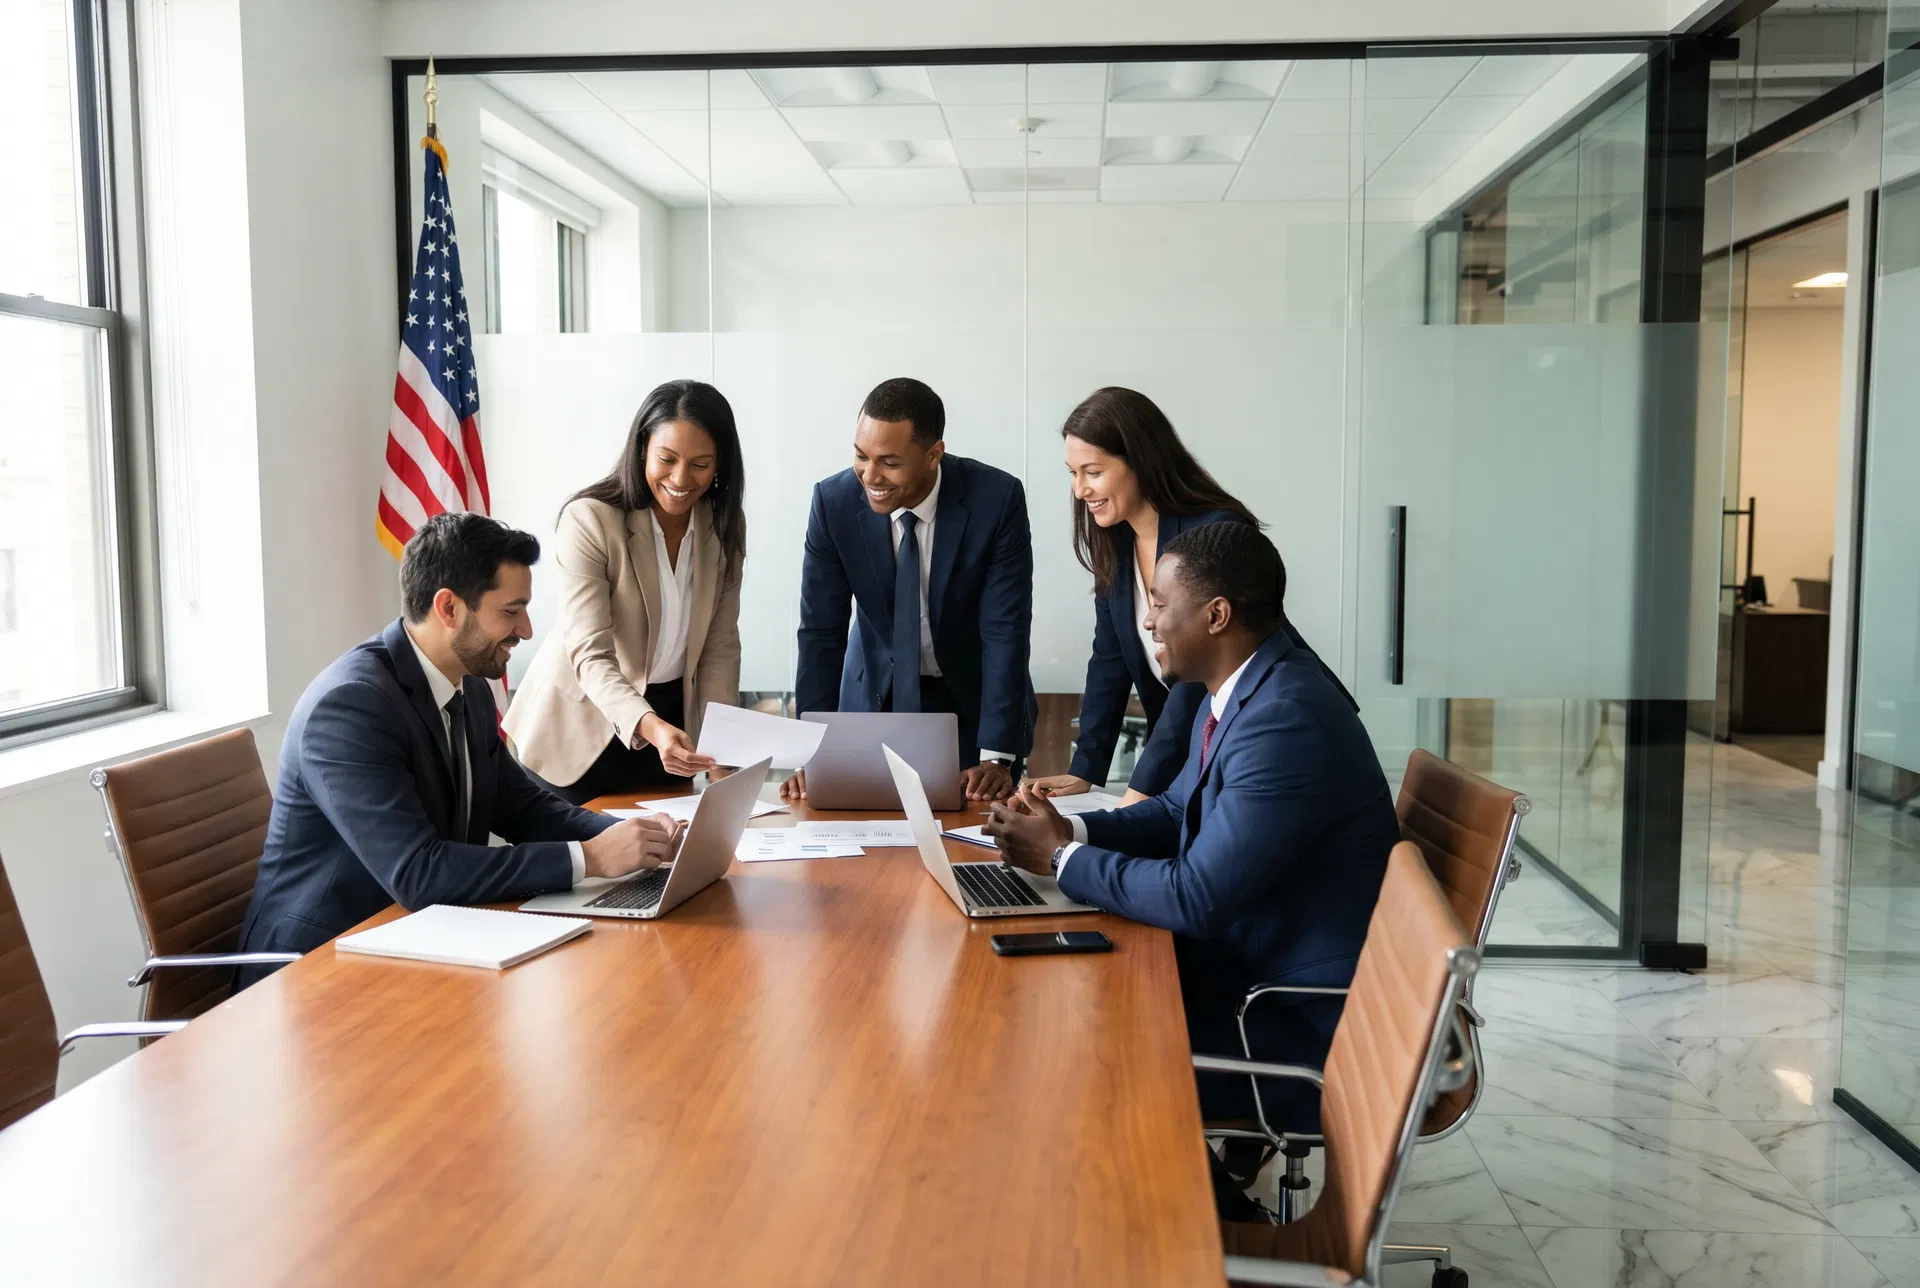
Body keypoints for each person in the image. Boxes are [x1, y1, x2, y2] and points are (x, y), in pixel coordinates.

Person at [983, 522, 1396, 1143]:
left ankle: (1161, 1220)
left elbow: (1197, 898)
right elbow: (1177, 811)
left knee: (1076, 1047)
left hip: (1297, 1025)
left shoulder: (1285, 718)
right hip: (1247, 971)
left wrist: (1061, 858)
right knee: (1067, 1001)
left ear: (1216, 615)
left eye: (1158, 603)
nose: (1147, 623)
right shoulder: (1237, 690)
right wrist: (1067, 828)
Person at [236, 513, 680, 985]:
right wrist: (590, 859)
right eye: (511, 611)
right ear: (448, 608)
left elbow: (521, 807)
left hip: (417, 940)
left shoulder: (465, 685)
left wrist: (636, 837)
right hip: (313, 972)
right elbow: (418, 872)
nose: (526, 630)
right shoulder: (350, 707)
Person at [1026, 387, 1358, 804]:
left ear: (1140, 462)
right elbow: (1110, 659)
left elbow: (1197, 681)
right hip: (1196, 750)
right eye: (1072, 474)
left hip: (1265, 739)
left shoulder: (1216, 533)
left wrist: (1139, 791)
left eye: (1093, 472)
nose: (1080, 490)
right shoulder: (1114, 540)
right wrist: (1085, 771)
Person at [787, 377, 1035, 803]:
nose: (870, 475)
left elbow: (1004, 630)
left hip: (969, 705)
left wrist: (996, 756)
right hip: (871, 704)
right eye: (861, 456)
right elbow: (820, 633)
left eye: (889, 462)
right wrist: (810, 750)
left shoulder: (996, 499)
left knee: (963, 843)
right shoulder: (833, 502)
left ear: (933, 454)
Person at [504, 379, 746, 804]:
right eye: (667, 459)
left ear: (721, 464)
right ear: (641, 450)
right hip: (581, 727)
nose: (681, 478)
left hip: (672, 731)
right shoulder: (591, 521)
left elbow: (719, 650)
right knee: (585, 867)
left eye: (700, 464)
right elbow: (591, 654)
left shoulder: (723, 525)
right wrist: (650, 727)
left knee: (668, 867)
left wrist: (723, 760)